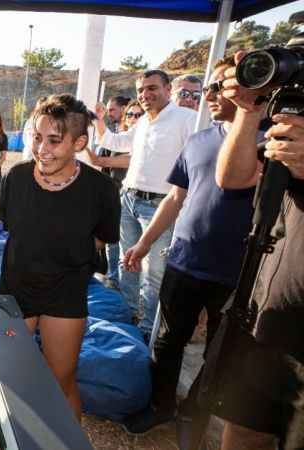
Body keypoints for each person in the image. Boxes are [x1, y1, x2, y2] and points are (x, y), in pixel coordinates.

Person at [117, 57, 261, 435]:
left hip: (237, 272)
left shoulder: (269, 143)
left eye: (220, 86)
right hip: (184, 260)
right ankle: (162, 406)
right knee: (166, 342)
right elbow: (175, 197)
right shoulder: (199, 140)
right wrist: (144, 244)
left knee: (218, 354)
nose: (211, 94)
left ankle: (195, 414)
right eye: (209, 87)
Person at [0, 94, 120, 420]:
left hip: (66, 294)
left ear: (80, 142)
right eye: (37, 137)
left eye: (54, 140)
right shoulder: (16, 177)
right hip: (15, 290)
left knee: (60, 380)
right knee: (9, 378)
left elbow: (101, 240)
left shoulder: (101, 190)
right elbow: (12, 228)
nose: (42, 149)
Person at [206, 51, 304, 450]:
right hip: (266, 315)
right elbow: (232, 177)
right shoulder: (286, 127)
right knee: (244, 432)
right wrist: (248, 111)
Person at [94, 69, 198, 340]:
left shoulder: (187, 119)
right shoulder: (143, 123)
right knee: (126, 264)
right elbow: (113, 142)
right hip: (128, 199)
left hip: (160, 206)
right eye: (141, 90)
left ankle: (145, 331)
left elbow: (199, 162)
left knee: (153, 275)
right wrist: (100, 120)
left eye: (152, 88)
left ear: (167, 89)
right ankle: (126, 317)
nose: (145, 95)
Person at [88, 99, 141, 288]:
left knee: (126, 249)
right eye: (130, 115)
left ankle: (123, 292)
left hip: (131, 201)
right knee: (113, 243)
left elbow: (104, 162)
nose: (134, 118)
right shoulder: (121, 138)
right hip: (114, 198)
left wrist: (97, 159)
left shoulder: (141, 145)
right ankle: (113, 281)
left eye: (138, 115)